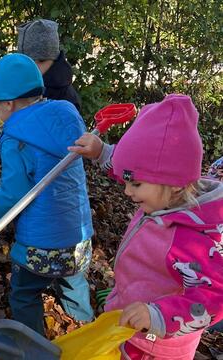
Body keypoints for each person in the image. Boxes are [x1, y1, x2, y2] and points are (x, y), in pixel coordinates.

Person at [69, 94, 223, 359]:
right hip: (129, 326)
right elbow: (136, 169)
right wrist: (103, 152)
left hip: (156, 344)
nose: (127, 190)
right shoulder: (165, 196)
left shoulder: (191, 237)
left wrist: (158, 316)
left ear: (174, 182)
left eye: (135, 185)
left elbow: (215, 295)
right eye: (127, 181)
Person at [0, 53, 94, 335]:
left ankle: (34, 346)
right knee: (73, 282)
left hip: (41, 243)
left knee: (24, 292)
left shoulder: (16, 136)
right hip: (79, 237)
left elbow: (13, 192)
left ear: (8, 103)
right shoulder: (66, 114)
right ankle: (86, 330)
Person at [17, 18, 82, 112]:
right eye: (28, 61)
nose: (34, 67)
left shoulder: (66, 99)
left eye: (41, 61)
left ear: (54, 59)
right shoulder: (21, 83)